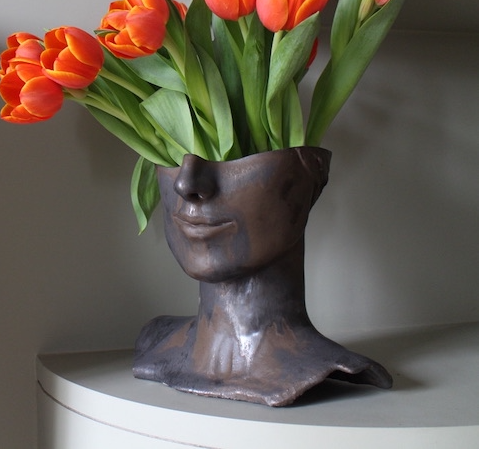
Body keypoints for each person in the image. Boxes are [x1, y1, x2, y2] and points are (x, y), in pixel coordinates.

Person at [133, 147, 392, 406]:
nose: (185, 184)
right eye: (174, 152)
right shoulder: (156, 338)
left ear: (311, 179)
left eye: (239, 155)